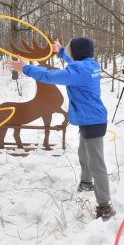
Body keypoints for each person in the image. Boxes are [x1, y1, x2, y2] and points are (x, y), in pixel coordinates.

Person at [6, 37, 116, 221]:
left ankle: (104, 206)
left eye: (70, 48)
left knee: (97, 163)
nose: (69, 50)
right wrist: (61, 51)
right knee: (83, 153)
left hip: (92, 121)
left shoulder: (78, 70)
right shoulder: (91, 65)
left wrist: (25, 68)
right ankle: (87, 183)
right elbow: (76, 63)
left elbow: (50, 76)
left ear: (78, 52)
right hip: (90, 118)